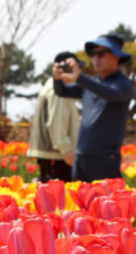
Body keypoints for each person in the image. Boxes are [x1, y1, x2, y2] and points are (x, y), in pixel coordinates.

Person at [53, 34, 134, 183]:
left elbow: (109, 93)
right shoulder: (91, 83)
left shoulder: (124, 85)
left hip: (105, 159)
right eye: (93, 53)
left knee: (105, 198)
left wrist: (79, 78)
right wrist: (57, 78)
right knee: (79, 197)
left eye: (101, 53)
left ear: (116, 57)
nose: (96, 58)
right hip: (82, 156)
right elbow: (62, 92)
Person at [28, 52, 83, 183]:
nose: (79, 72)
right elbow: (57, 121)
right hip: (57, 155)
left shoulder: (52, 86)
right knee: (57, 194)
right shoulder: (57, 91)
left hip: (53, 154)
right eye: (77, 68)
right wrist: (66, 149)